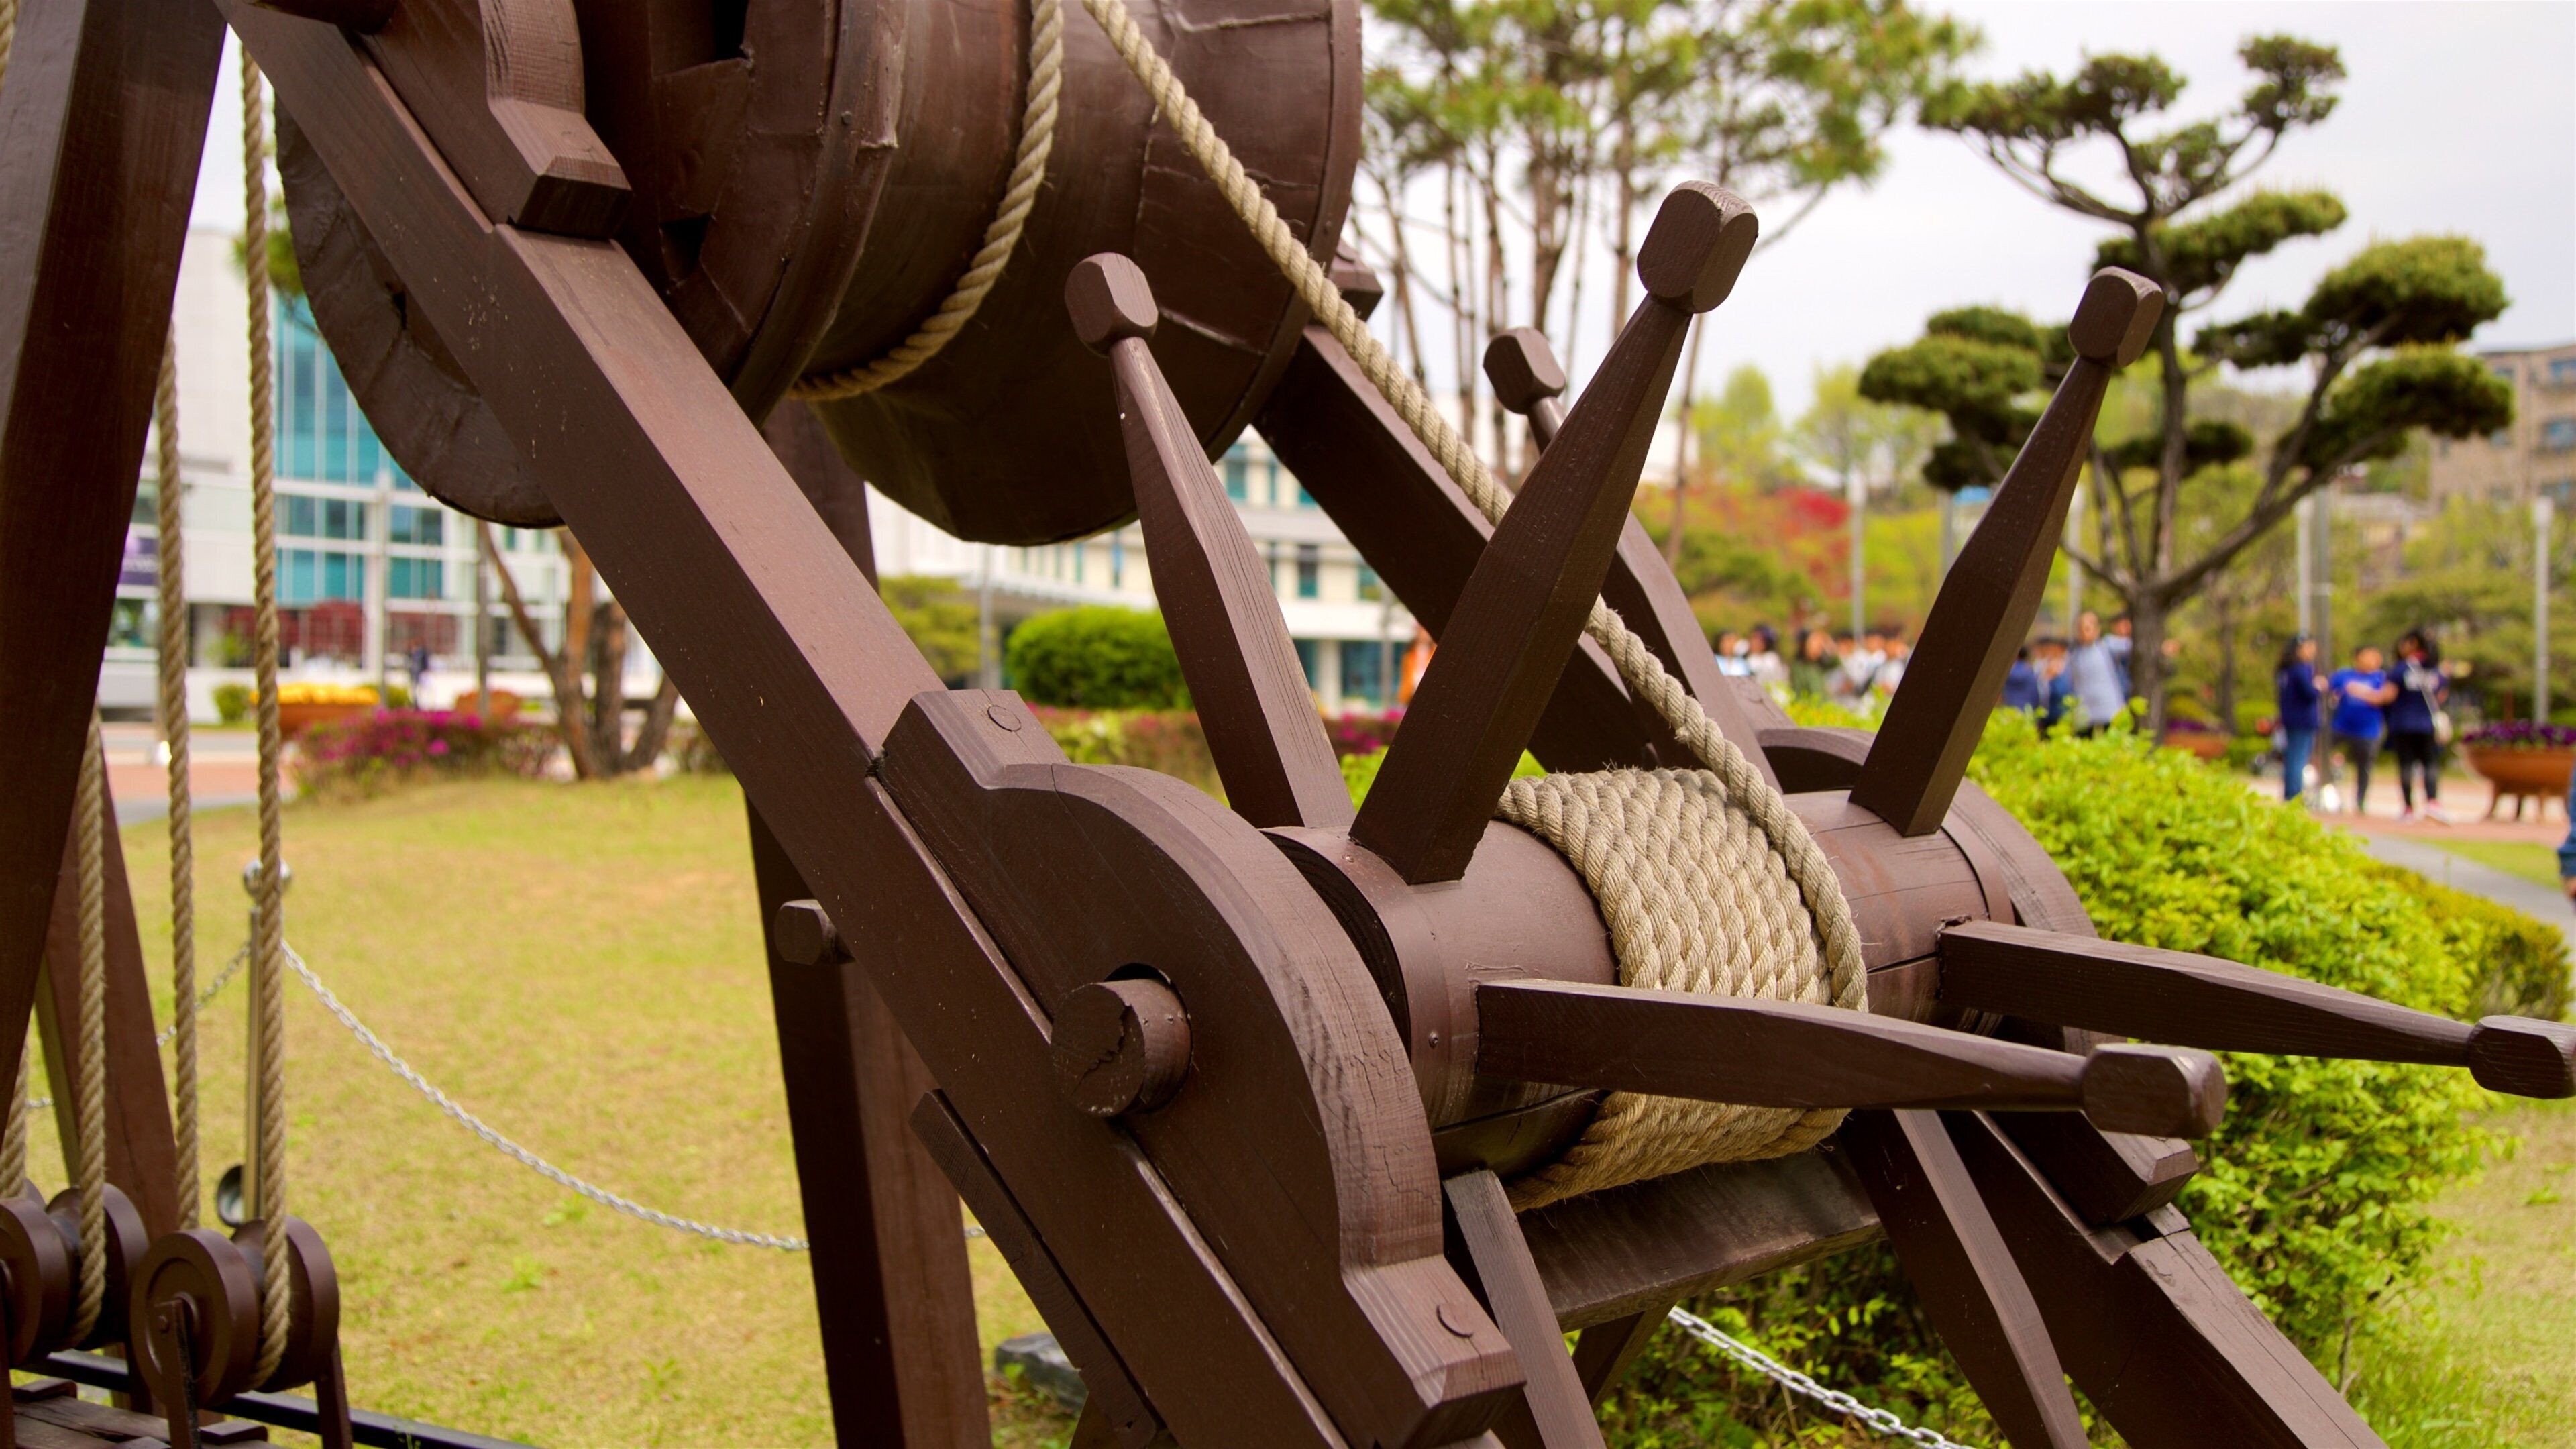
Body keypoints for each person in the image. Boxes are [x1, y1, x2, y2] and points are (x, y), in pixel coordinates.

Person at [2384, 629, 2449, 823]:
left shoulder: (2401, 669)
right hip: (2427, 725)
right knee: (2430, 763)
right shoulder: (2436, 670)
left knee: (2406, 765)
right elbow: (2441, 696)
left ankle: (2408, 809)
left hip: (2403, 724)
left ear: (2412, 643)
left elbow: (2388, 695)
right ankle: (2432, 803)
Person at [2326, 645, 2396, 814]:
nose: (2374, 660)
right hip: (2341, 726)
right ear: (2357, 657)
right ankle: (2329, 794)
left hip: (2368, 731)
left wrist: (2359, 691)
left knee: (2364, 768)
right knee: (2320, 755)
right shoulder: (2343, 675)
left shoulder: (2382, 678)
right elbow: (2327, 691)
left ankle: (2360, 802)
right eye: (2369, 656)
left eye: (2376, 657)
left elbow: (2384, 698)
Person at [2273, 634, 2323, 804]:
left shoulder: (2285, 670)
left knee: (2292, 757)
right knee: (2298, 759)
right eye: (2309, 647)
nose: (2312, 651)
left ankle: (2290, 794)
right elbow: (2310, 693)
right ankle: (2294, 797)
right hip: (2303, 720)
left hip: (2290, 719)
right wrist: (2320, 686)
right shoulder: (2301, 670)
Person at [2064, 611, 2132, 735]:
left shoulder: (2107, 645)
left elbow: (2130, 646)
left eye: (2089, 628)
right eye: (2081, 628)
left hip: (2110, 709)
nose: (2085, 632)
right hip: (2084, 712)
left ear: (2097, 629)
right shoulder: (2073, 654)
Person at [1788, 629, 1840, 698]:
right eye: (1815, 645)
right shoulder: (1799, 667)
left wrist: (1828, 642)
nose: (1819, 649)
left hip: (1824, 705)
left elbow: (1836, 662)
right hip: (1811, 706)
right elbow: (1798, 692)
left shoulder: (1818, 665)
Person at [1743, 625, 1786, 690]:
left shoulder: (1771, 660)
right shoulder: (1745, 657)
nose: (1753, 643)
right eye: (1752, 638)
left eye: (1757, 640)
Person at [2002, 645, 2043, 711]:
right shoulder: (2030, 670)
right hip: (2028, 708)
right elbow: (2036, 693)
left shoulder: (2011, 671)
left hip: (2012, 709)